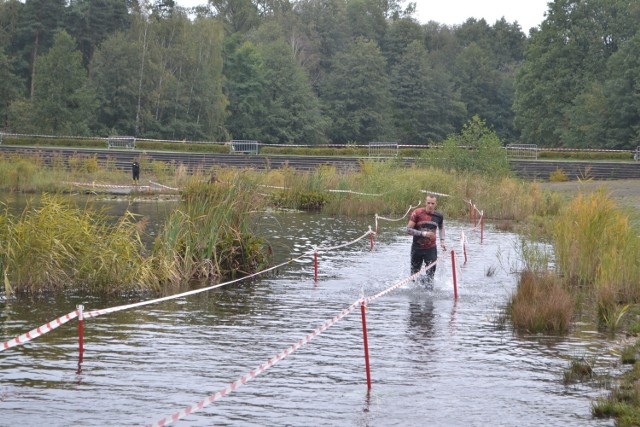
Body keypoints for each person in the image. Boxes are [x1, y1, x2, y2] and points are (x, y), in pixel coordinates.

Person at [406, 194, 446, 284]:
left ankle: (429, 294)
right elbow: (408, 230)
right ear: (425, 203)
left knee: (430, 276)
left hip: (431, 249)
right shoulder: (417, 213)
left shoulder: (439, 216)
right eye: (428, 203)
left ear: (436, 204)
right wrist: (424, 234)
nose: (430, 205)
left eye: (432, 203)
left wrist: (442, 241)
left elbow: (441, 228)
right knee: (414, 276)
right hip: (417, 248)